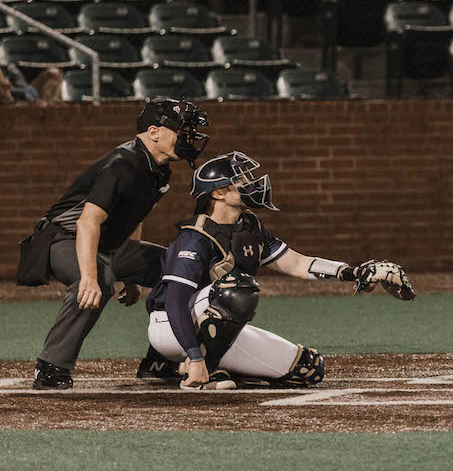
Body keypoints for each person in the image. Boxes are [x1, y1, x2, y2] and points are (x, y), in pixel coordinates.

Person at [137, 151, 414, 389]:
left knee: (309, 368)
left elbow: (297, 263)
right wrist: (195, 356)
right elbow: (173, 302)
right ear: (218, 193)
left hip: (215, 328)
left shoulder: (249, 227)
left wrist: (352, 272)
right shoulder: (195, 236)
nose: (249, 184)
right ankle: (198, 367)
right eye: (240, 180)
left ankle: (211, 366)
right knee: (238, 288)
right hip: (171, 328)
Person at [18, 99, 210, 389]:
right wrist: (91, 277)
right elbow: (87, 222)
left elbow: (132, 217)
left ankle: (160, 358)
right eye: (180, 130)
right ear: (154, 132)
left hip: (108, 245)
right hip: (64, 239)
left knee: (182, 268)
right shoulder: (123, 164)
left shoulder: (157, 169)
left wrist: (132, 277)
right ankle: (51, 366)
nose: (186, 137)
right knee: (98, 282)